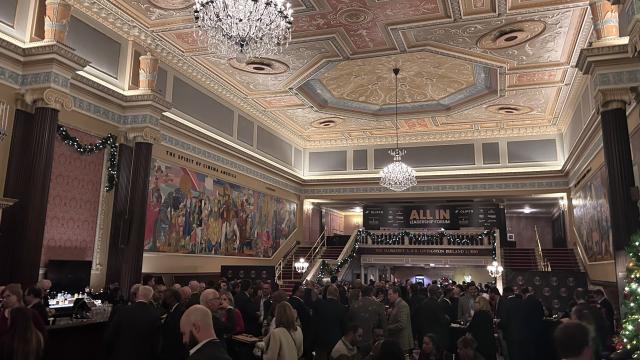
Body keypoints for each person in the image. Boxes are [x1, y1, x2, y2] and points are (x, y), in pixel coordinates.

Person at [104, 285, 161, 360]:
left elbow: (111, 334)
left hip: (122, 354)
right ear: (150, 298)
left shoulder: (123, 311)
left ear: (137, 295)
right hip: (143, 355)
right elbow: (156, 342)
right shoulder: (155, 314)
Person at [349, 285, 386, 357]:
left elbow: (349, 324)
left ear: (361, 293)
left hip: (356, 342)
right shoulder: (379, 305)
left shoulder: (353, 306)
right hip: (372, 341)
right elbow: (384, 326)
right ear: (371, 294)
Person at [313, 285, 347, 359]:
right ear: (337, 295)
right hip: (336, 343)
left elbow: (313, 323)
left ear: (327, 294)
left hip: (321, 342)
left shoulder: (319, 304)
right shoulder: (343, 308)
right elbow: (344, 328)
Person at [419, 285, 450, 350]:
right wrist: (447, 318)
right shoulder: (436, 304)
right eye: (439, 292)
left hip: (426, 332)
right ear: (436, 293)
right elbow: (443, 320)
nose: (441, 294)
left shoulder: (424, 302)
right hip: (436, 334)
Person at [160, 288, 187, 360]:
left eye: (164, 298)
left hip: (175, 352)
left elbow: (175, 332)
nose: (163, 300)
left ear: (171, 299)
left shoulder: (180, 311)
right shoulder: (173, 310)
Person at [385, 286, 413, 354]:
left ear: (396, 294)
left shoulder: (402, 305)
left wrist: (387, 328)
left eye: (390, 294)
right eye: (388, 294)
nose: (388, 297)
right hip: (398, 341)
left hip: (402, 342)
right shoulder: (396, 305)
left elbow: (402, 324)